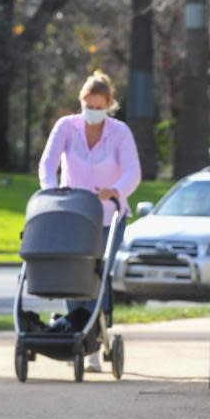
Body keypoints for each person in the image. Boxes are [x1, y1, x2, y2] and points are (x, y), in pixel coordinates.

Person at [38, 70, 141, 371]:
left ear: (109, 105)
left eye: (99, 107)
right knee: (73, 273)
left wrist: (116, 190)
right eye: (88, 105)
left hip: (109, 214)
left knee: (98, 273)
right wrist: (51, 191)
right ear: (81, 102)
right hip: (73, 213)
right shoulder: (66, 127)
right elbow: (48, 164)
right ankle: (75, 333)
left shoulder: (120, 132)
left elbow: (132, 172)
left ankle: (96, 343)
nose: (93, 112)